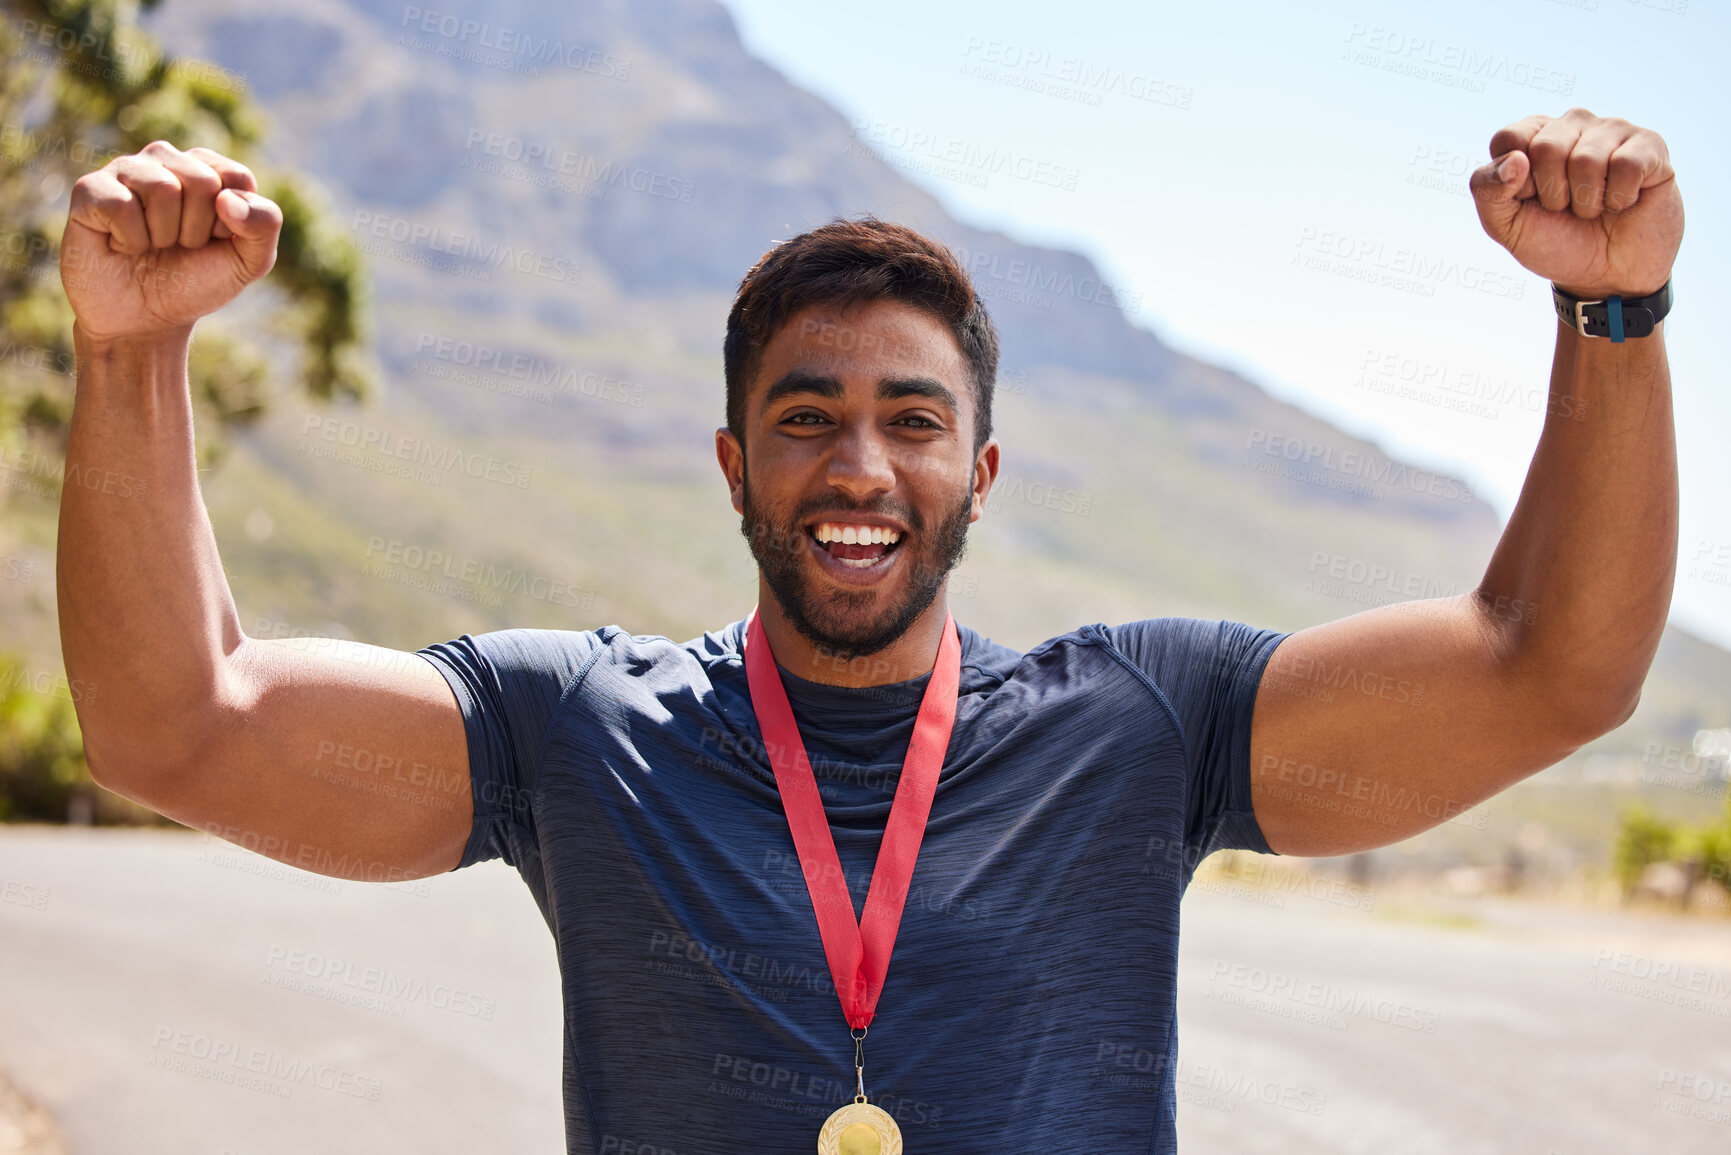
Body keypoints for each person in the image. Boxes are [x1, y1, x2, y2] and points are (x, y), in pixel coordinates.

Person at [56, 107, 1682, 1154]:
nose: (858, 466)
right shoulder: (580, 734)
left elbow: (1554, 666)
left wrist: (1612, 316)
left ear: (977, 473)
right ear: (731, 464)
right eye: (805, 415)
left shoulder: (1137, 728)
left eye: (912, 420)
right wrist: (130, 352)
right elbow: (175, 726)